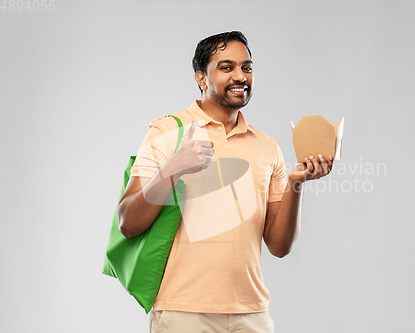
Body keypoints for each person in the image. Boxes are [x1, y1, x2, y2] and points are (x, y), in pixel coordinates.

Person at [117, 31, 334, 333]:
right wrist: (174, 169)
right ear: (201, 78)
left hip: (251, 315)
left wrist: (296, 183)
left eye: (247, 67)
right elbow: (127, 222)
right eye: (226, 67)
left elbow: (279, 246)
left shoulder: (267, 146)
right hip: (183, 313)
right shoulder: (167, 132)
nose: (240, 76)